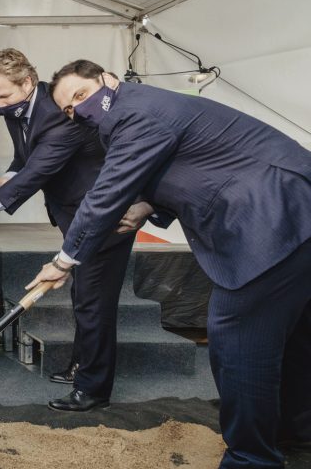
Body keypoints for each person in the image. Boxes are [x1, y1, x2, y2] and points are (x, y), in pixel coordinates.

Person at [27, 59, 311, 467]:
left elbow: (107, 192)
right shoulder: (146, 107)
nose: (79, 110)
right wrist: (147, 206)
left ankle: (252, 459)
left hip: (269, 219)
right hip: (297, 207)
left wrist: (65, 259)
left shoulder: (132, 111)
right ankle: (296, 433)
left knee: (236, 338)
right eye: (70, 109)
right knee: (296, 335)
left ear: (107, 79)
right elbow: (189, 161)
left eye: (81, 95)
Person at [0, 49, 141, 412]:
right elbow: (25, 158)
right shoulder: (19, 107)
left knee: (94, 301)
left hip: (104, 215)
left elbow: (38, 172)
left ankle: (93, 388)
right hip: (72, 213)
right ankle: (82, 364)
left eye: (3, 96)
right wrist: (4, 177)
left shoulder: (59, 111)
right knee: (83, 296)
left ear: (28, 82)